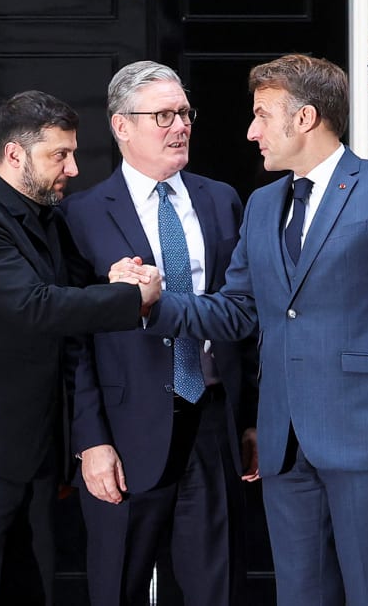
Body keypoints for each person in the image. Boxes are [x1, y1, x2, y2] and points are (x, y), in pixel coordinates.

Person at [117, 53, 368, 606]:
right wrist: (151, 305)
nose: (250, 131)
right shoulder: (260, 205)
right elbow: (236, 311)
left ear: (305, 119)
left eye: (261, 115)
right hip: (285, 446)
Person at [0, 90, 160, 605]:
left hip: (33, 452)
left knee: (27, 592)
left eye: (72, 153)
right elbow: (37, 307)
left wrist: (115, 278)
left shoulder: (47, 219)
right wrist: (128, 300)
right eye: (59, 155)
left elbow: (76, 289)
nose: (73, 168)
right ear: (14, 154)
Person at [60, 60, 253, 606]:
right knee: (117, 587)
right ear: (122, 126)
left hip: (213, 421)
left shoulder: (222, 200)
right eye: (163, 115)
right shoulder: (83, 215)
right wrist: (91, 441)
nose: (180, 126)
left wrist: (252, 418)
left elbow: (245, 316)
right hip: (124, 433)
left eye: (185, 113)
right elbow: (74, 342)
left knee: (216, 589)